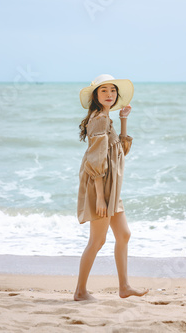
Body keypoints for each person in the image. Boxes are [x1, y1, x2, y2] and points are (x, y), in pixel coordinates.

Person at [75, 74, 149, 301]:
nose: (109, 94)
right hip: (102, 186)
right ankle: (80, 291)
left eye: (112, 91)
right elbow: (95, 160)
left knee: (124, 234)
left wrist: (124, 119)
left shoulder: (107, 119)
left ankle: (124, 287)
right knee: (97, 241)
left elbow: (121, 151)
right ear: (96, 96)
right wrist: (99, 197)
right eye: (103, 91)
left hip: (112, 186)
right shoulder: (99, 120)